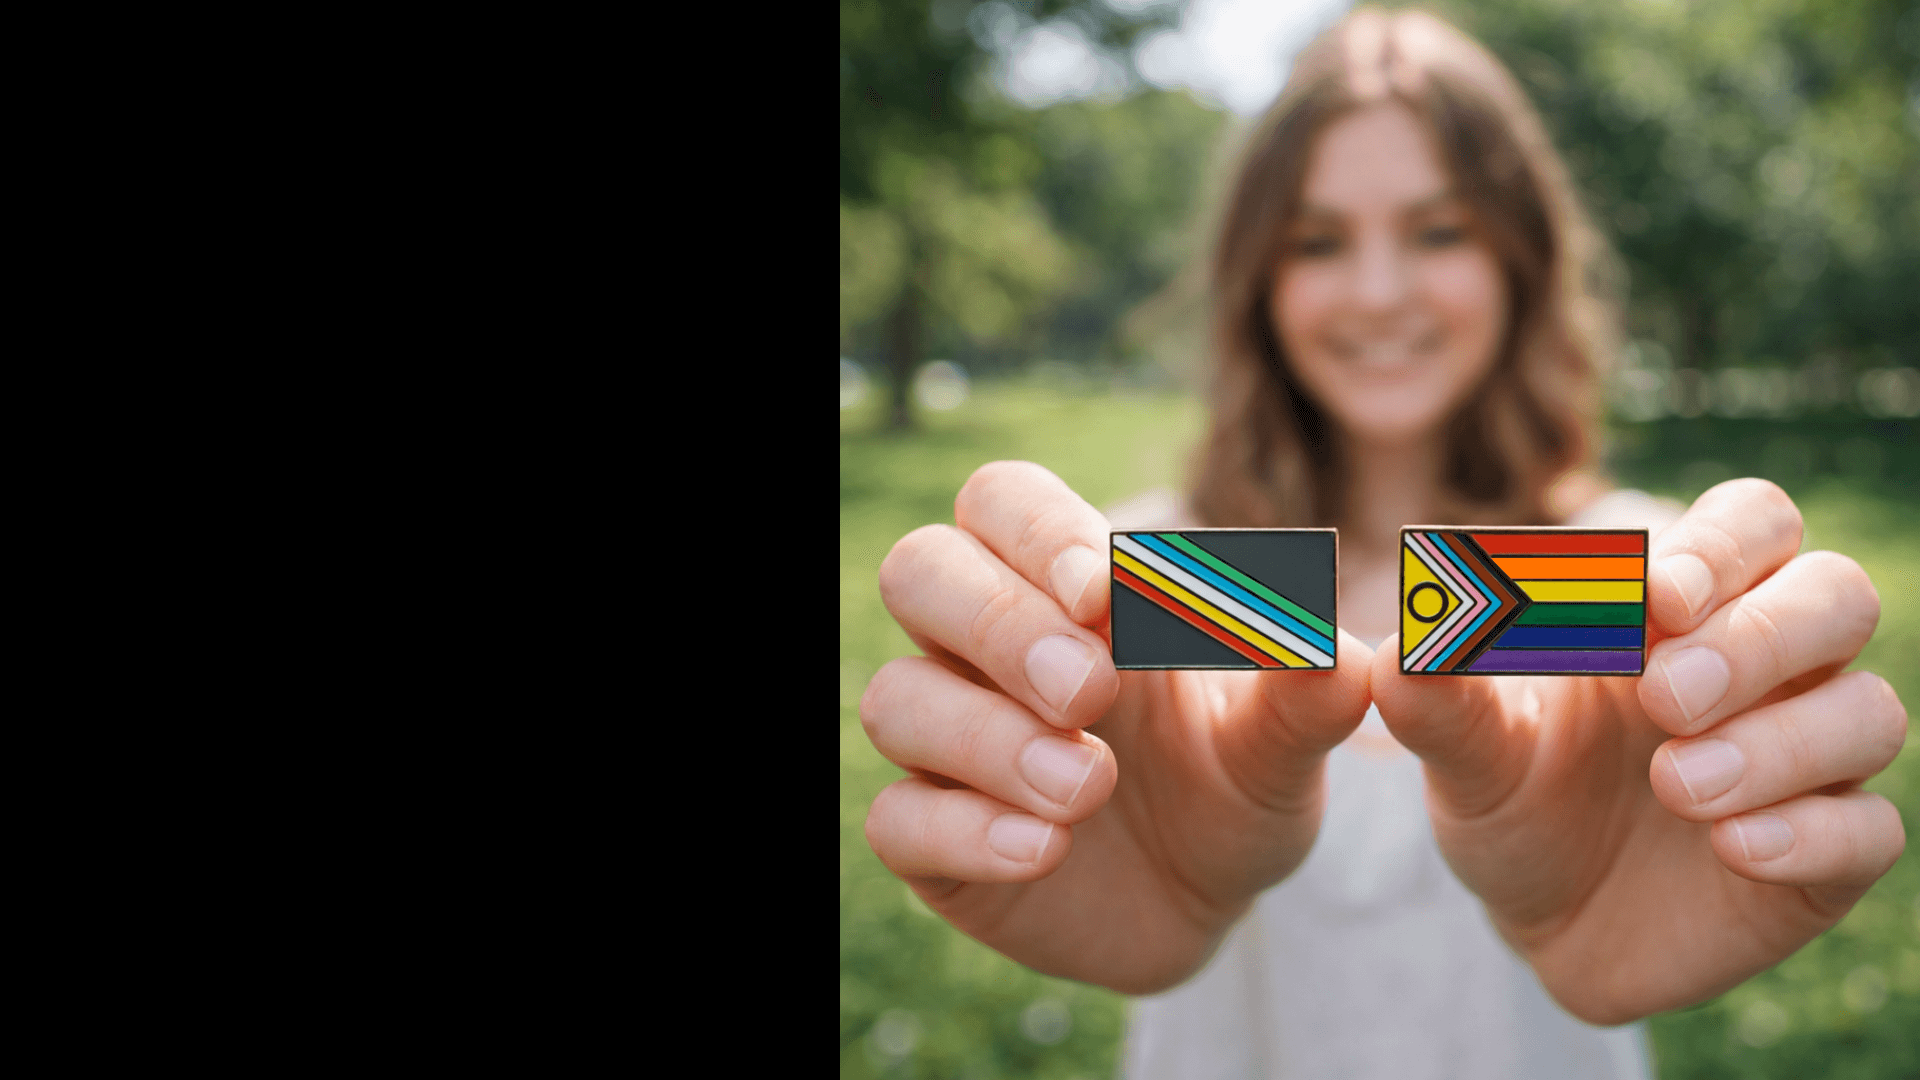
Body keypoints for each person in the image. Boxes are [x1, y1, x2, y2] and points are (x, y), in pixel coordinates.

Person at [856, 8, 1908, 1077]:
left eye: (1438, 231)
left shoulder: (1638, 571)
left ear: (1521, 256)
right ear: (1258, 277)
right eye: (1317, 241)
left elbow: (1691, 632)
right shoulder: (1142, 575)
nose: (1378, 292)